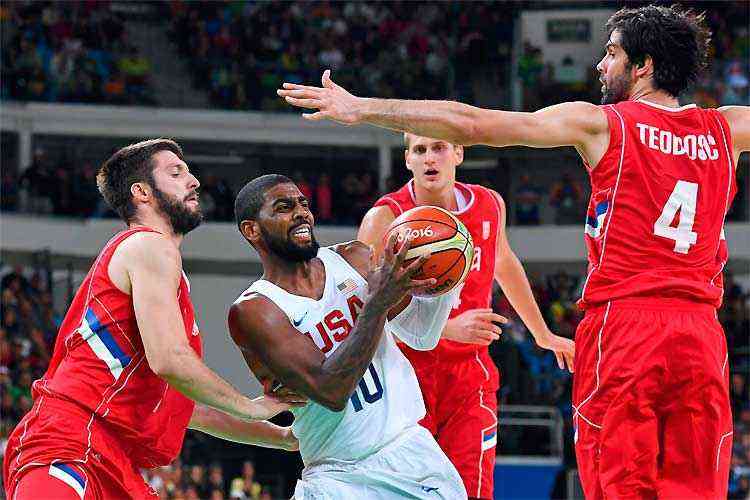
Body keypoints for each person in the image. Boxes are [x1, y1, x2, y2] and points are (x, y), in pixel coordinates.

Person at [277, 5, 750, 498]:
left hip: (626, 326)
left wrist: (362, 108)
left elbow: (472, 123)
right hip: (701, 335)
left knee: (620, 486)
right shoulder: (729, 128)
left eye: (610, 54)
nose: (600, 66)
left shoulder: (604, 124)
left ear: (643, 66)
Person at [3, 139, 304, 500]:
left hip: (113, 459)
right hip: (69, 445)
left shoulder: (163, 274)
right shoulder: (147, 246)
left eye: (189, 172)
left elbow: (185, 407)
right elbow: (170, 360)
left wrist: (283, 438)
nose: (193, 181)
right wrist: (250, 406)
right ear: (142, 192)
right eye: (176, 173)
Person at [357, 133, 574, 498]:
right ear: (407, 159)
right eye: (420, 150)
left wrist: (542, 333)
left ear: (458, 153)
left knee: (471, 488)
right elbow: (363, 306)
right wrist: (444, 329)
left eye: (439, 148)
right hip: (405, 375)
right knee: (407, 490)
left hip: (470, 375)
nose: (430, 158)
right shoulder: (385, 218)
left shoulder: (489, 205)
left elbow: (503, 262)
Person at [228, 174, 467, 499]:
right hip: (338, 477)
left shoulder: (352, 258)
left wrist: (444, 277)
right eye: (283, 207)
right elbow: (331, 390)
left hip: (410, 452)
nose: (301, 213)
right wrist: (377, 305)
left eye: (303, 204)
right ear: (251, 230)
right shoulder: (257, 310)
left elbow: (420, 335)